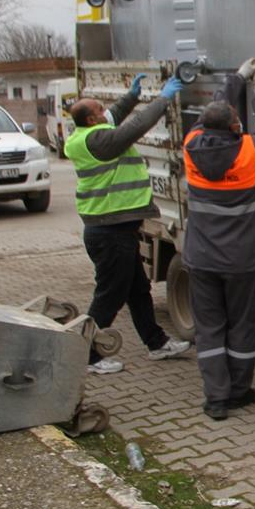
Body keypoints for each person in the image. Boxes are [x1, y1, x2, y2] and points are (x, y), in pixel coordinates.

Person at [66, 74, 191, 374]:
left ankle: (156, 343)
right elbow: (135, 127)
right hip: (109, 233)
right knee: (109, 296)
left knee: (138, 290)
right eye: (100, 109)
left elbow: (115, 115)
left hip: (116, 230)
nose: (106, 110)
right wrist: (163, 98)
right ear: (92, 119)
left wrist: (132, 97)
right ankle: (87, 355)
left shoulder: (86, 133)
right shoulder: (99, 141)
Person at [182, 59, 255, 420]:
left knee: (209, 329)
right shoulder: (248, 151)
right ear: (236, 126)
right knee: (241, 327)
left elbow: (209, 117)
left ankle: (216, 400)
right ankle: (239, 392)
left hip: (201, 259)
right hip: (241, 261)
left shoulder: (192, 145)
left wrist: (234, 78)